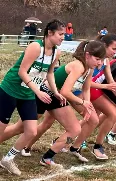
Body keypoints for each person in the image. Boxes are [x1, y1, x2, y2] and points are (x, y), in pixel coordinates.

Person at [0, 19, 65, 175]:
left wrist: (55, 91)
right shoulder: (36, 47)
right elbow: (22, 71)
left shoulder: (56, 52)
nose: (63, 37)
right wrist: (38, 92)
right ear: (50, 33)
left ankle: (8, 159)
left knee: (31, 131)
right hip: (10, 90)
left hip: (28, 93)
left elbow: (49, 73)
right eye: (61, 34)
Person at [39, 40, 105, 167]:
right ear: (87, 55)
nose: (100, 63)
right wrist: (82, 102)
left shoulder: (89, 69)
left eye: (101, 60)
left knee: (75, 129)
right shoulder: (78, 66)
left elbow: (86, 89)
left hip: (58, 98)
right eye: (97, 59)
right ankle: (25, 146)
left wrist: (87, 105)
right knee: (24, 128)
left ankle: (48, 157)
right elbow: (65, 91)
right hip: (46, 93)